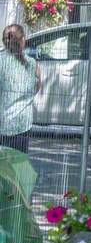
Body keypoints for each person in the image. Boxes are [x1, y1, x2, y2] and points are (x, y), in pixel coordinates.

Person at [0, 24, 41, 154]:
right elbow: (37, 87)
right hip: (23, 123)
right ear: (22, 40)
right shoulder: (32, 63)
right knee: (19, 165)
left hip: (2, 123)